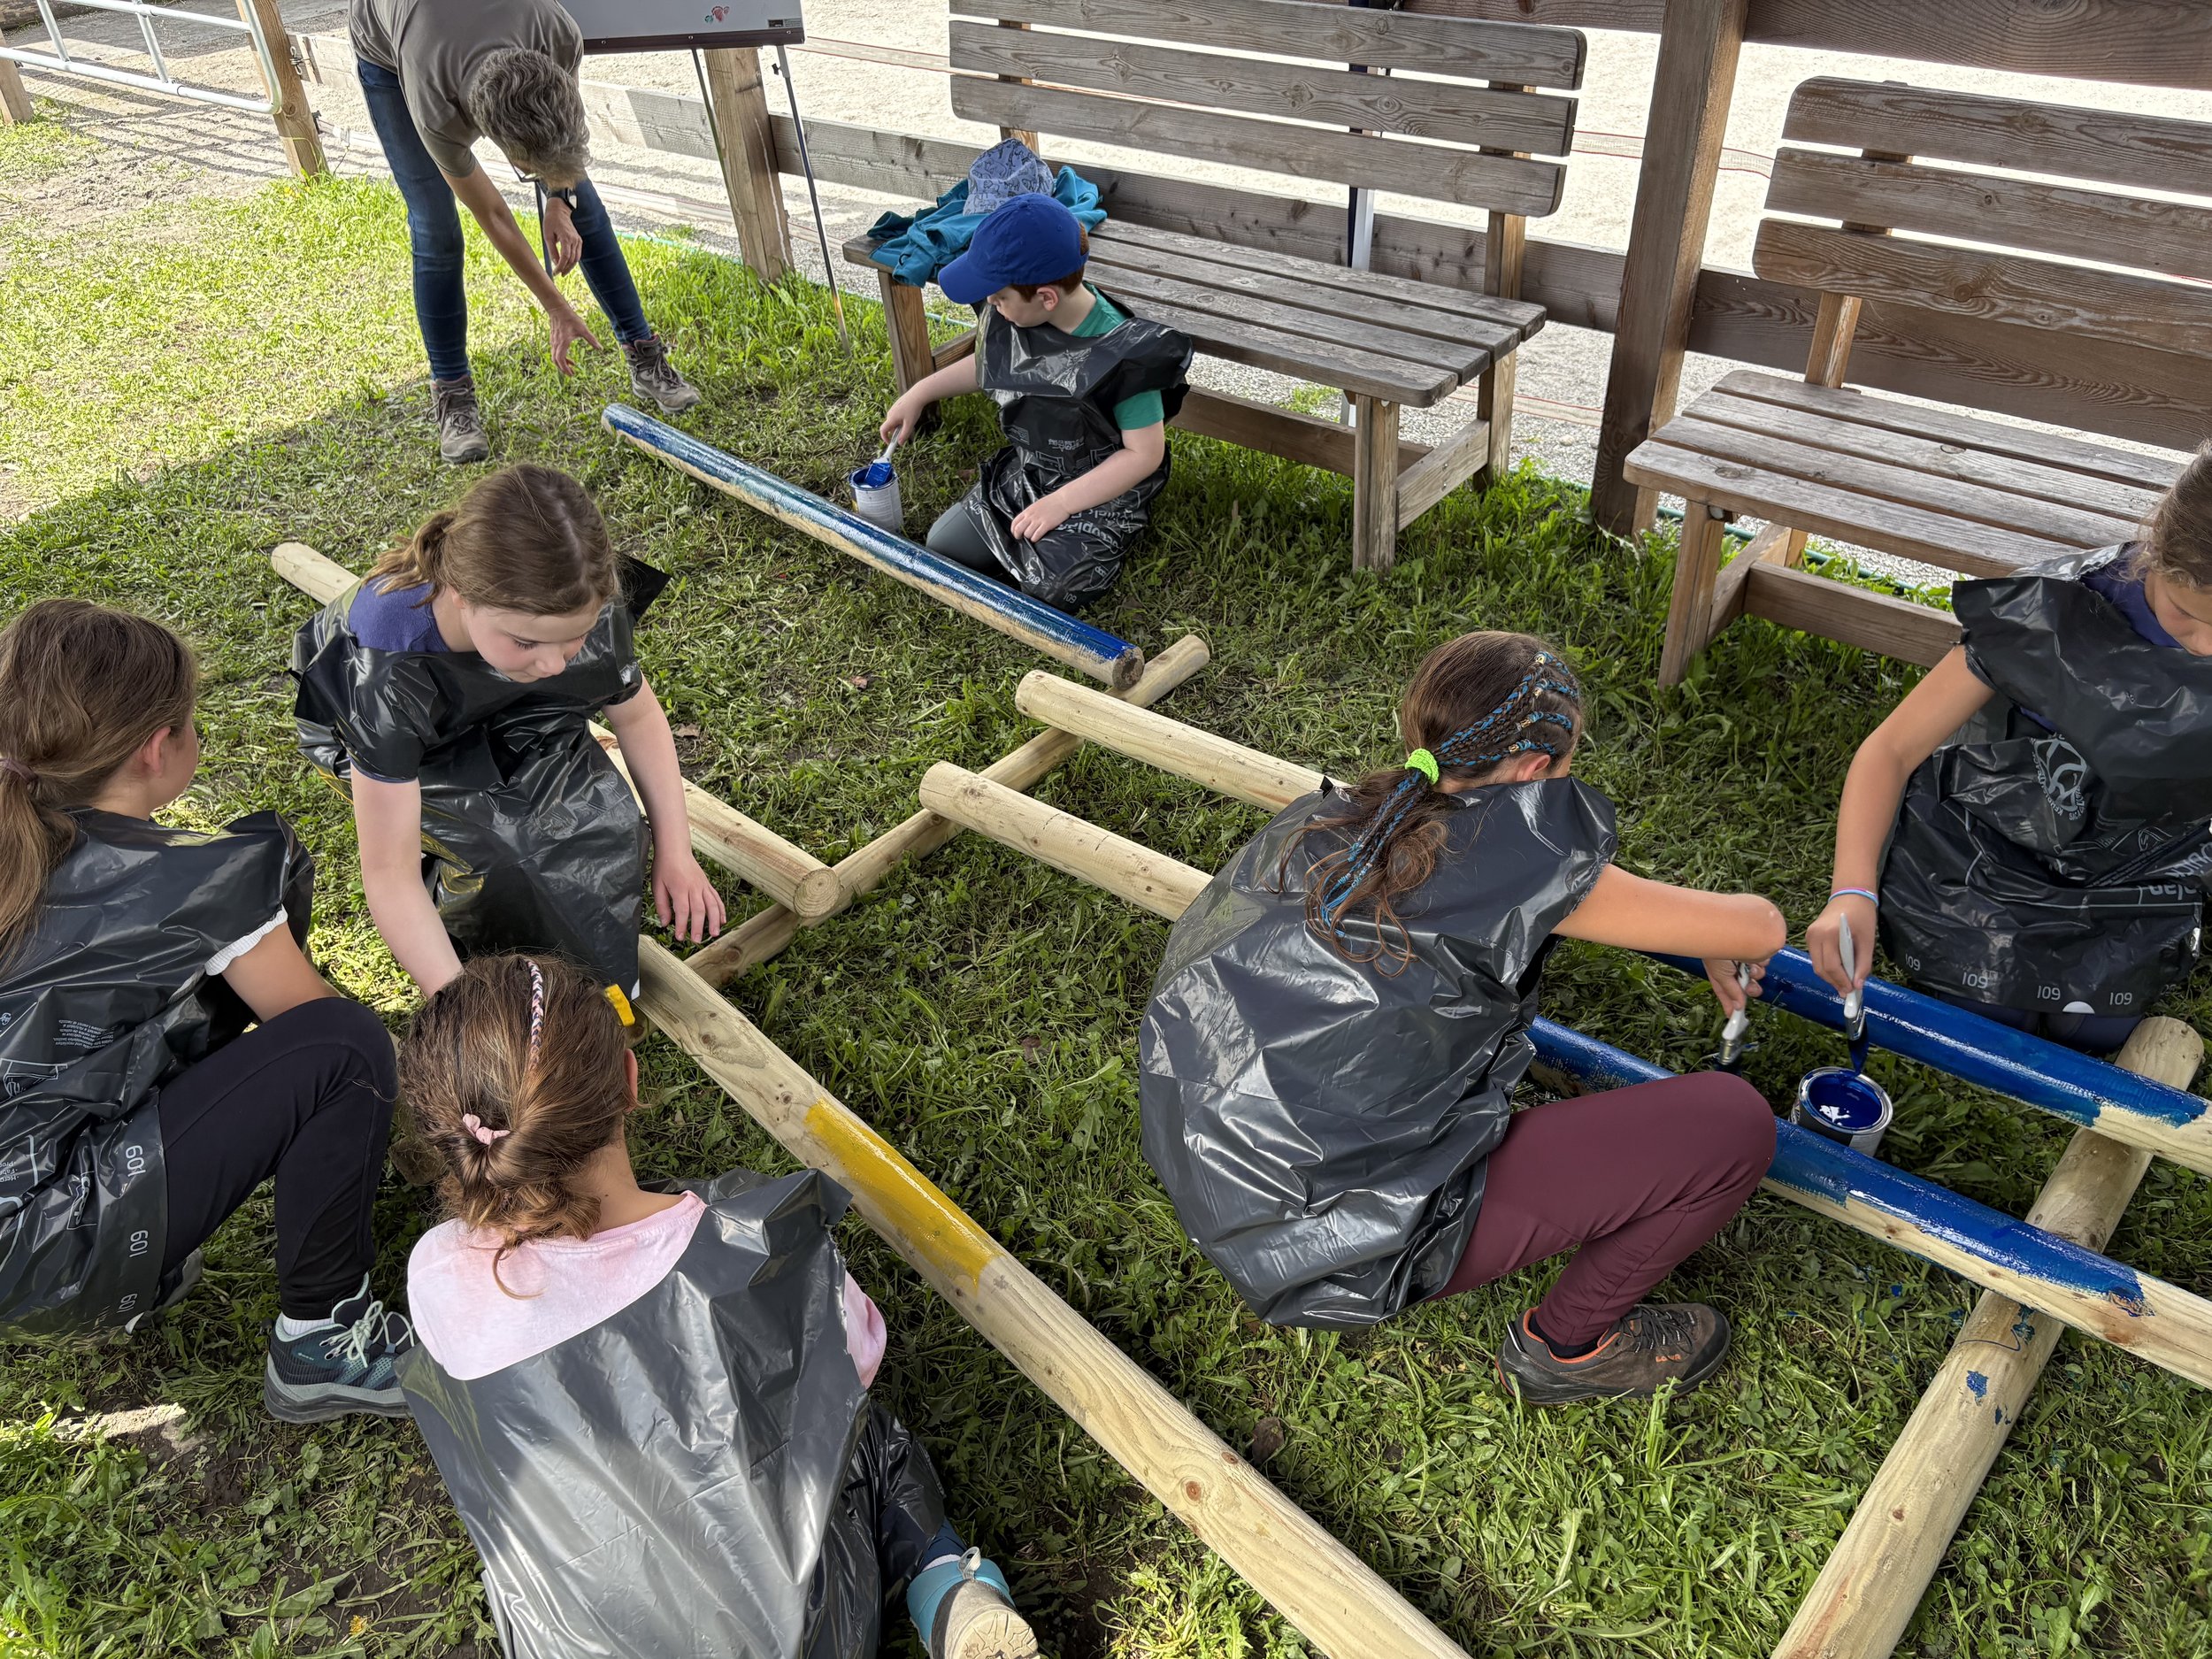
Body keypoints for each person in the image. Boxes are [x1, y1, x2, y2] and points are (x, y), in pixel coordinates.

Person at [1139, 632, 1786, 1405]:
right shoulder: (1528, 867)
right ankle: (1568, 1348)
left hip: (1206, 1153)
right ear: (1535, 770)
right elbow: (1762, 927)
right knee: (1732, 1124)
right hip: (1329, 1240)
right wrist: (1713, 934)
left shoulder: (1341, 816)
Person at [397, 955, 1041, 1659]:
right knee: (871, 1443)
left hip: (592, 1633)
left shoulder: (435, 1274)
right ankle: (948, 1584)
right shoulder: (754, 1248)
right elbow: (858, 1353)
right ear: (629, 1081)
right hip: (800, 1633)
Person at [0, 600, 412, 1422]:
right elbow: (317, 1033)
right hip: (42, 1251)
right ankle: (322, 1340)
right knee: (347, 1048)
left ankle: (139, 1243)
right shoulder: (198, 884)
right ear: (158, 749)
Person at [1809, 446, 2212, 1055]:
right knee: (1991, 1012)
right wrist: (1851, 892)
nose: (2204, 647)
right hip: (1997, 843)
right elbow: (1891, 748)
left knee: (2090, 1029)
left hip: (2137, 858)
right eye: (2184, 613)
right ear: (2155, 547)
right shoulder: (2049, 612)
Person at [291, 464, 724, 1004]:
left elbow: (636, 718)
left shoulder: (576, 599)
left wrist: (675, 850)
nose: (554, 665)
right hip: (380, 733)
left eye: (575, 639)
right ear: (460, 596)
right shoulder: (384, 671)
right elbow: (388, 875)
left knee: (610, 823)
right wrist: (456, 1001)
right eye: (526, 642)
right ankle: (473, 928)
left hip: (500, 698)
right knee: (501, 854)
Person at [349, 0, 701, 463]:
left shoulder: (558, 35)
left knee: (580, 199)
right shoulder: (437, 107)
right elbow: (493, 214)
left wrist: (560, 198)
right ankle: (453, 394)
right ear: (508, 155)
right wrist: (556, 306)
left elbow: (563, 142)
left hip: (467, 35)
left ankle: (644, 355)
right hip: (390, 52)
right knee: (436, 229)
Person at [879, 192, 1192, 611]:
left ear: (1047, 297)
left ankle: (1091, 535)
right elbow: (993, 364)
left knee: (1052, 590)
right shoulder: (1022, 311)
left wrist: (1062, 503)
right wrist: (920, 392)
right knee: (945, 546)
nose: (992, 305)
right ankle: (1029, 526)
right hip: (1037, 466)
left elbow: (1144, 455)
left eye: (998, 298)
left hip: (1100, 483)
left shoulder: (1123, 356)